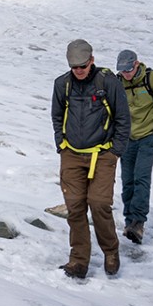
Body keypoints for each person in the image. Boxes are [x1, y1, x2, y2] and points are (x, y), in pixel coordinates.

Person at [51, 39, 130, 278]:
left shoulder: (108, 82)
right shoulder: (62, 84)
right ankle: (78, 260)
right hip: (72, 154)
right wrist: (61, 144)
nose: (79, 71)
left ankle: (110, 251)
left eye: (83, 66)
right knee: (75, 208)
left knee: (99, 204)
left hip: (103, 154)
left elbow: (123, 119)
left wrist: (115, 150)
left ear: (91, 61)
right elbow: (56, 116)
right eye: (75, 67)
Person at [115, 49, 153, 244]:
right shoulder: (118, 82)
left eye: (129, 70)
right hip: (127, 139)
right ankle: (129, 221)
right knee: (128, 180)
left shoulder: (152, 79)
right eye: (123, 71)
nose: (126, 74)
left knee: (141, 178)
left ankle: (138, 223)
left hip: (148, 137)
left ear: (136, 64)